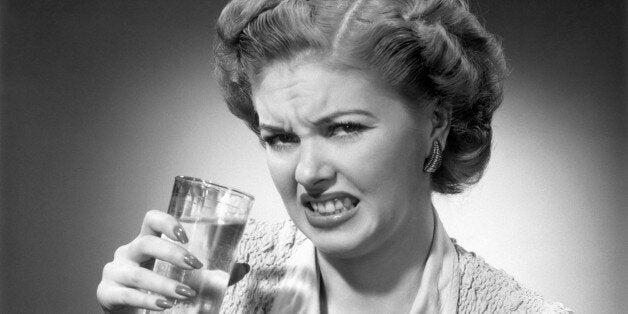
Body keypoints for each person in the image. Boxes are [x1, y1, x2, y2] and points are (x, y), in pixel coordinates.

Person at [97, 0, 572, 312]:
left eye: (344, 128)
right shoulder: (208, 282)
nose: (309, 172)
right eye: (281, 138)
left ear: (437, 124)